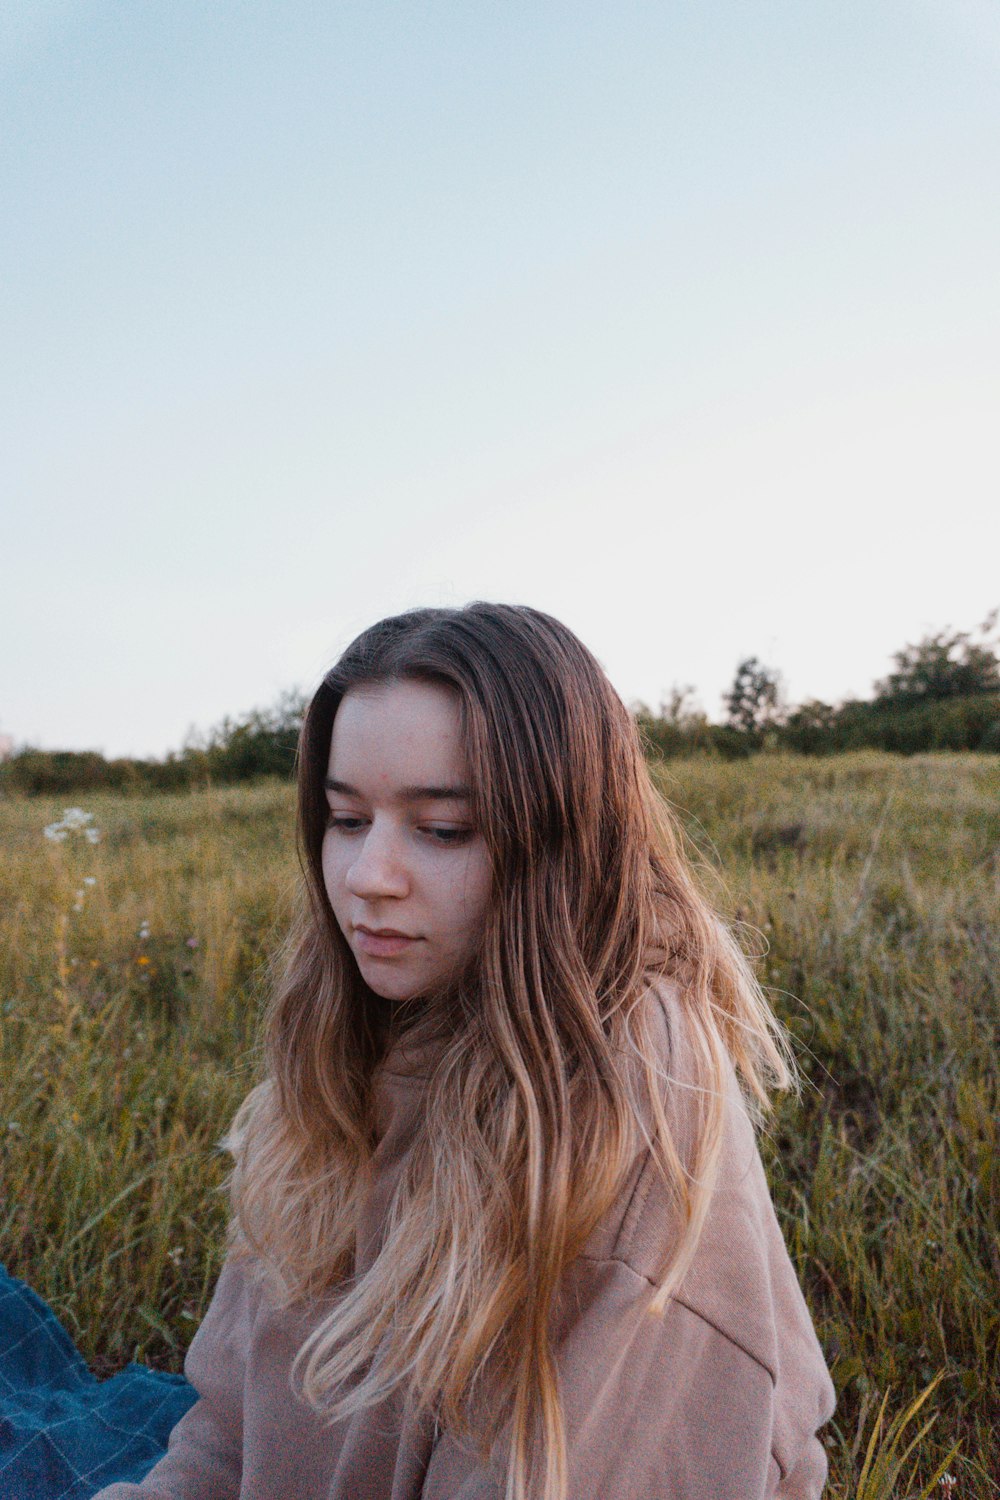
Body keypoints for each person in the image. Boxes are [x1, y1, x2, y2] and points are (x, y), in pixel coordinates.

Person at [94, 602, 835, 1500]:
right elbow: (223, 1430)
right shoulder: (349, 1029)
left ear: (559, 841)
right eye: (345, 819)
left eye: (442, 829)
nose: (368, 877)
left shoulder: (626, 1092)